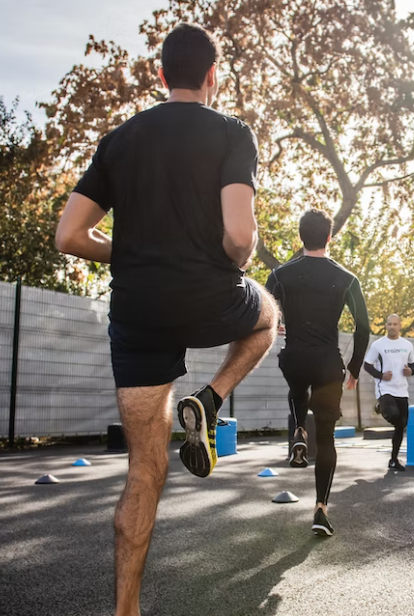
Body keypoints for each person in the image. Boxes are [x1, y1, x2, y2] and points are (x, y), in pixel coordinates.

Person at [54, 23, 278, 616]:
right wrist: (232, 259)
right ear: (212, 76)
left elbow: (69, 236)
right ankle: (210, 398)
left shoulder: (119, 140)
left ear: (161, 75)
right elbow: (239, 236)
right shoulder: (232, 132)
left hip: (139, 314)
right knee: (267, 319)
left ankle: (125, 608)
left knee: (143, 473)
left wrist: (129, 252)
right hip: (209, 297)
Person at [265, 208, 370, 537]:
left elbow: (263, 312)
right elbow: (364, 326)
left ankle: (298, 429)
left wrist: (276, 325)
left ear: (300, 236)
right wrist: (354, 367)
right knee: (326, 438)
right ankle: (321, 510)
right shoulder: (347, 278)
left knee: (297, 386)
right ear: (329, 237)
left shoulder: (280, 274)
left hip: (294, 357)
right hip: (327, 363)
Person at [363, 314, 414, 471]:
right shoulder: (378, 345)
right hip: (385, 388)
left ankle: (393, 460)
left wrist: (411, 371)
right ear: (386, 326)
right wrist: (381, 375)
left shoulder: (407, 345)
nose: (392, 327)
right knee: (393, 415)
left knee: (402, 425)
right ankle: (381, 406)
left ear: (400, 325)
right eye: (389, 324)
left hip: (402, 390)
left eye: (395, 324)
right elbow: (367, 365)